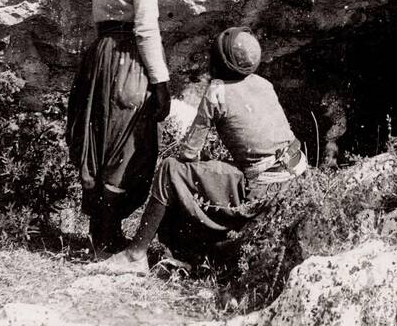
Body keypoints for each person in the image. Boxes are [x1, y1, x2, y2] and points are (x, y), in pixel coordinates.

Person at [100, 27, 307, 274]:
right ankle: (190, 252)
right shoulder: (264, 84)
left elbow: (188, 153)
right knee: (205, 170)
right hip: (298, 177)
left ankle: (135, 254)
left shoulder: (217, 92)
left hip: (263, 187)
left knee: (170, 170)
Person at [66, 0, 171, 256]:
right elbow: (145, 26)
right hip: (128, 56)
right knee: (129, 148)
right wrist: (160, 81)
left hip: (101, 54)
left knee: (101, 140)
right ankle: (107, 238)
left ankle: (101, 235)